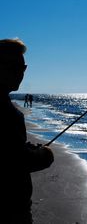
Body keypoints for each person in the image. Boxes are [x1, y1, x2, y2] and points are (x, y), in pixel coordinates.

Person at [0, 38, 54, 223]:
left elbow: (8, 149)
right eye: (14, 67)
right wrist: (44, 155)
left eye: (23, 68)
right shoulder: (7, 113)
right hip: (11, 210)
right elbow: (14, 162)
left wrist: (25, 147)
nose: (20, 74)